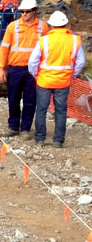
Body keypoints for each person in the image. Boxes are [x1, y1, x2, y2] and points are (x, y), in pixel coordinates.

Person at [29, 10, 86, 147]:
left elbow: (32, 62)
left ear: (52, 26)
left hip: (44, 81)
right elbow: (81, 62)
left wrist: (36, 75)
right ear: (65, 24)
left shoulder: (44, 40)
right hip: (63, 82)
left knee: (41, 109)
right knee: (61, 111)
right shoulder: (74, 40)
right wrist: (71, 74)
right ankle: (58, 141)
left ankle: (40, 139)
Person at [0, 0, 45, 136]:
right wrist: (1, 68)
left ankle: (25, 129)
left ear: (34, 11)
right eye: (22, 11)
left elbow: (47, 49)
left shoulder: (43, 27)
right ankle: (13, 127)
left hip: (34, 71)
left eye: (27, 11)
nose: (24, 14)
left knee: (30, 100)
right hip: (16, 68)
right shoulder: (13, 26)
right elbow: (4, 48)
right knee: (13, 98)